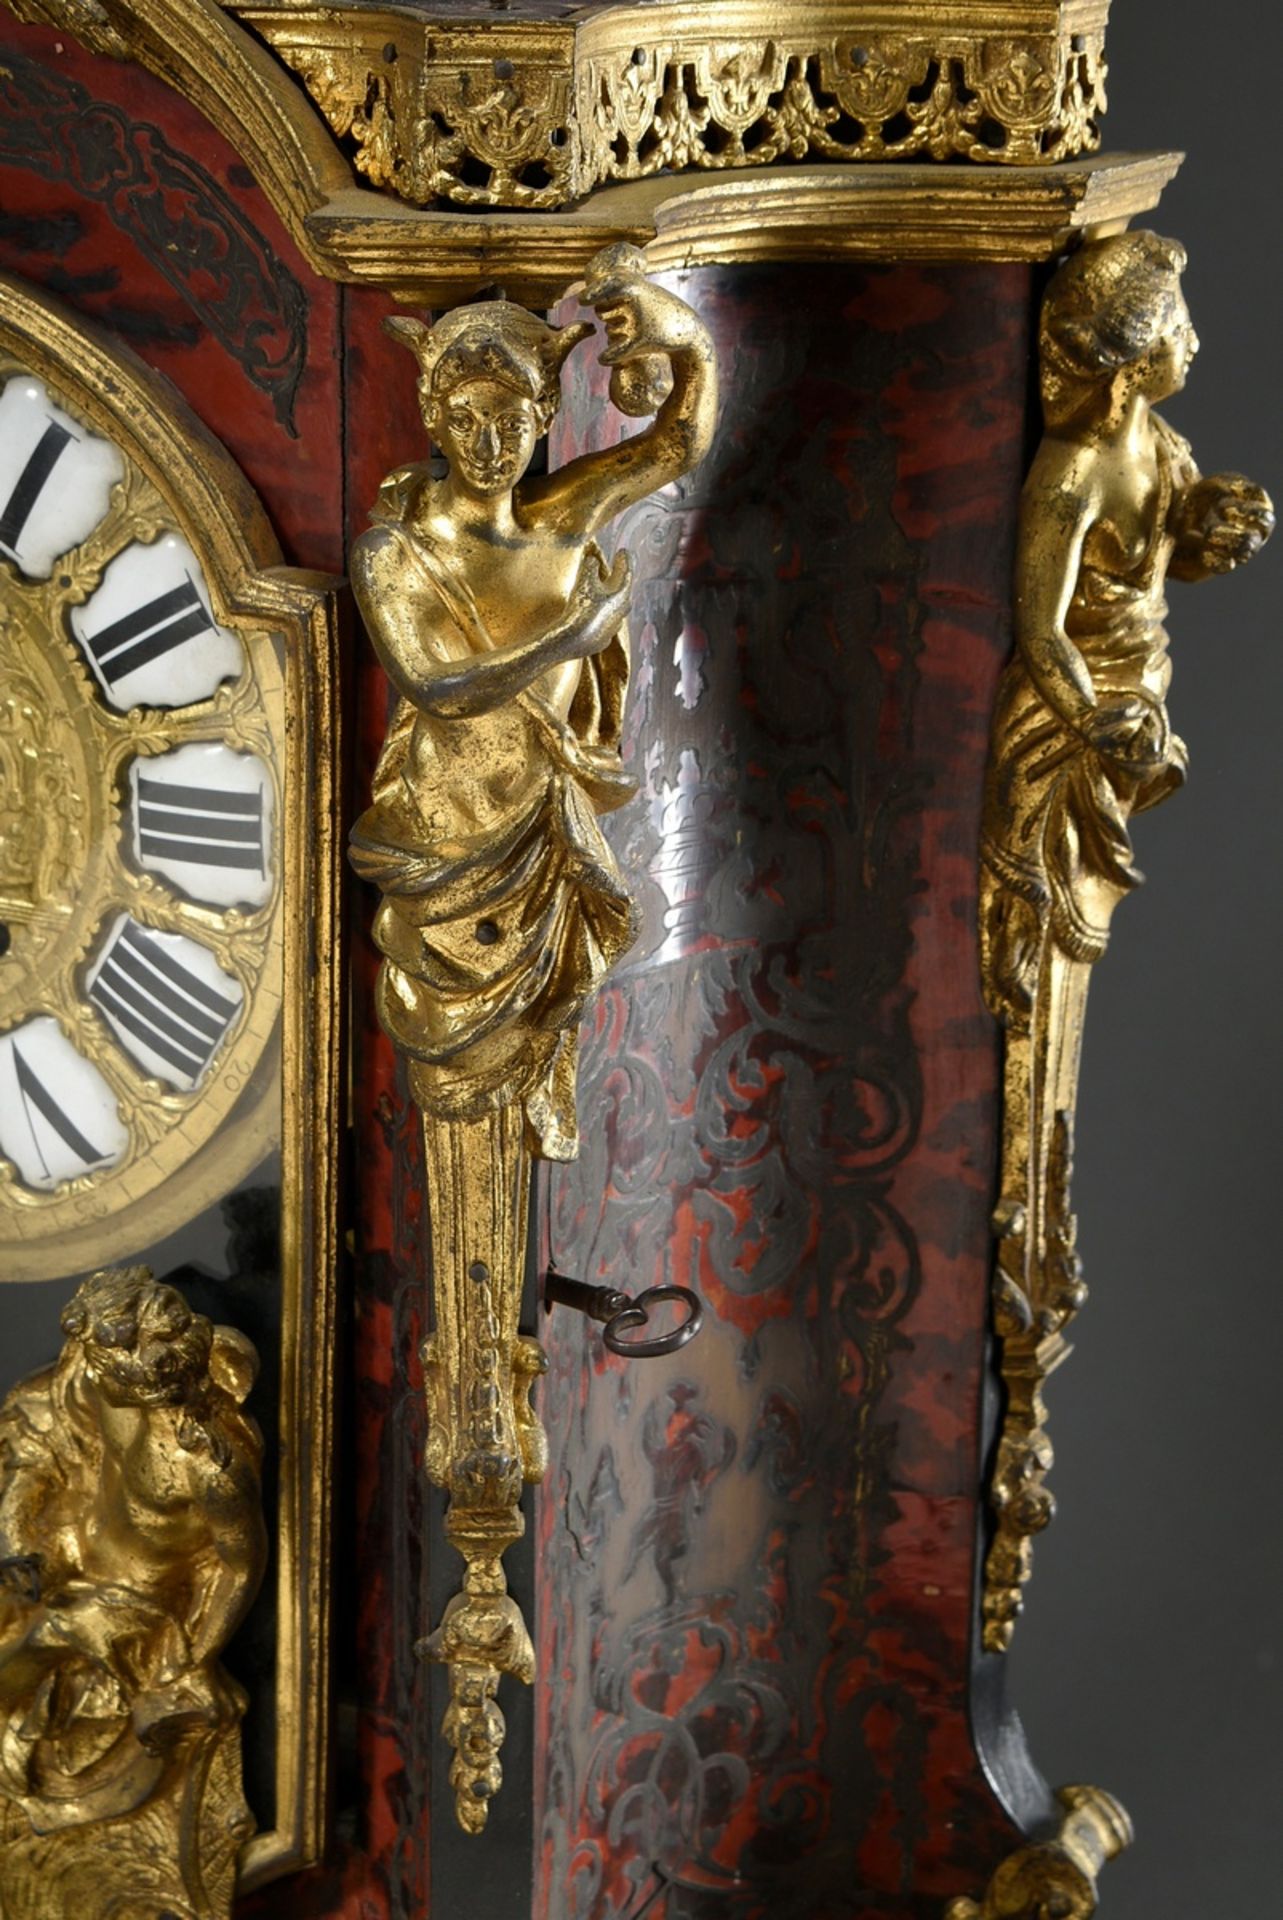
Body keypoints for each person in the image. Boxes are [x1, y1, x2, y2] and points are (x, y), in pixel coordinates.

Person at [349, 246, 718, 1158]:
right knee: (453, 1076)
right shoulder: (391, 554)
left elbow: (677, 443)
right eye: (467, 420)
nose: (489, 443)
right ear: (435, 416)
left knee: (545, 1031)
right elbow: (435, 687)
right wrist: (573, 635)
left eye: (511, 421)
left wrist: (690, 346)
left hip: (544, 838)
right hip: (449, 846)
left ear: (542, 416)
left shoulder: (562, 521)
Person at [982, 230, 1274, 1019]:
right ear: (1136, 359)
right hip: (1066, 717)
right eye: (1179, 333)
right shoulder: (1071, 471)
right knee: (1041, 908)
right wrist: (1090, 721)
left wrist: (1209, 524)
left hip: (1134, 691)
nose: (1195, 342)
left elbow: (1153, 560)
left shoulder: (1154, 439)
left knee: (1082, 907)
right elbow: (1040, 629)